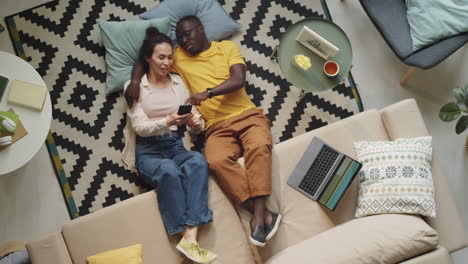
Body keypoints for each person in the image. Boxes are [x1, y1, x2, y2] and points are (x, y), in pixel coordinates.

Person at [126, 16, 281, 247]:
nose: (185, 41)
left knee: (258, 147)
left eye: (188, 34)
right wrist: (136, 81)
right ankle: (267, 215)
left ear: (201, 29)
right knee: (215, 161)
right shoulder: (177, 57)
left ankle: (258, 218)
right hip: (216, 128)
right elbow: (146, 59)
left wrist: (207, 93)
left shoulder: (226, 47)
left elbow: (239, 79)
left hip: (247, 115)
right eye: (180, 38)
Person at [122, 27, 216, 264]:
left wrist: (196, 122)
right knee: (169, 171)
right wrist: (167, 121)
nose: (166, 62)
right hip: (147, 150)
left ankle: (190, 239)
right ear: (148, 58)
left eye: (169, 57)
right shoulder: (134, 86)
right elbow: (139, 127)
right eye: (160, 57)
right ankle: (186, 237)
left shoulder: (177, 82)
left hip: (174, 144)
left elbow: (193, 115)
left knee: (197, 161)